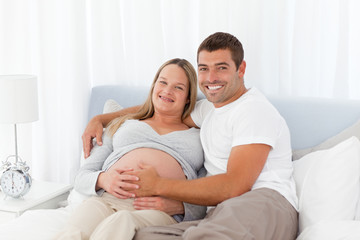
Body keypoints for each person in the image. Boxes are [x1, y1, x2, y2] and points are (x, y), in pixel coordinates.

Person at [82, 32, 299, 240]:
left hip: (261, 201)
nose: (211, 78)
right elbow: (162, 106)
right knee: (141, 235)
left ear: (240, 69)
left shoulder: (253, 110)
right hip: (218, 212)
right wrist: (101, 119)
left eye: (221, 68)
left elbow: (234, 186)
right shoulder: (208, 110)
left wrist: (157, 185)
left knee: (207, 236)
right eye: (204, 68)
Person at [56, 58, 206, 240]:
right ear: (154, 87)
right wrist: (104, 180)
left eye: (178, 87)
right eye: (163, 82)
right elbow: (81, 175)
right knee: (75, 230)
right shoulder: (123, 124)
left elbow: (209, 192)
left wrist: (181, 207)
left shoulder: (199, 137)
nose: (167, 90)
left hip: (155, 209)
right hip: (107, 199)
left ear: (188, 97)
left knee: (122, 220)